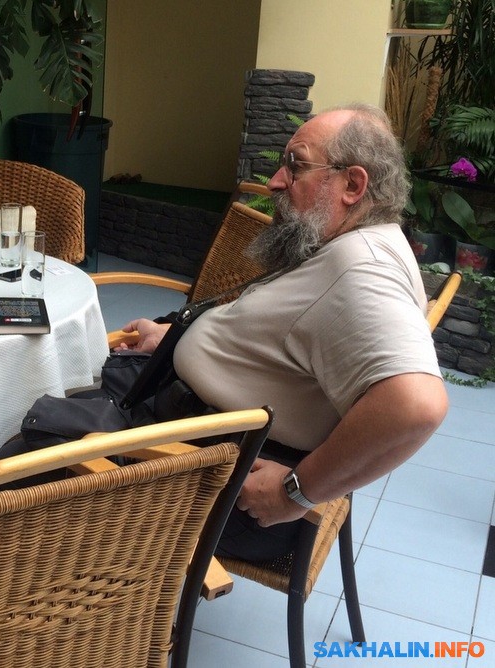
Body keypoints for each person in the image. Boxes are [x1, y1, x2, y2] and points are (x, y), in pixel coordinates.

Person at [116, 104, 448, 560]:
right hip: (196, 436)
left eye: (296, 165)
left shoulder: (361, 269)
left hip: (214, 477)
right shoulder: (355, 242)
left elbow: (416, 406)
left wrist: (295, 491)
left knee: (36, 448)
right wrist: (175, 341)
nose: (275, 182)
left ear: (353, 185)